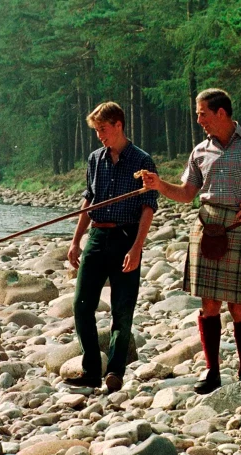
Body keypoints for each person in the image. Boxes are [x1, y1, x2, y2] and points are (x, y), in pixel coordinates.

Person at [142, 88, 241, 394]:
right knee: (209, 304)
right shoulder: (200, 151)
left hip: (238, 225)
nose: (199, 120)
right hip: (207, 223)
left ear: (221, 112)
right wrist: (159, 185)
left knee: (239, 306)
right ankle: (212, 372)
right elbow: (186, 194)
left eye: (202, 113)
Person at [65, 101, 158, 393]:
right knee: (81, 305)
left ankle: (115, 371)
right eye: (96, 131)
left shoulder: (142, 161)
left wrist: (138, 247)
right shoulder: (95, 159)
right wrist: (75, 240)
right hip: (96, 236)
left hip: (126, 238)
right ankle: (92, 369)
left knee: (122, 309)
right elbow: (89, 200)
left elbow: (148, 207)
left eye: (103, 129)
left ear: (118, 125)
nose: (100, 136)